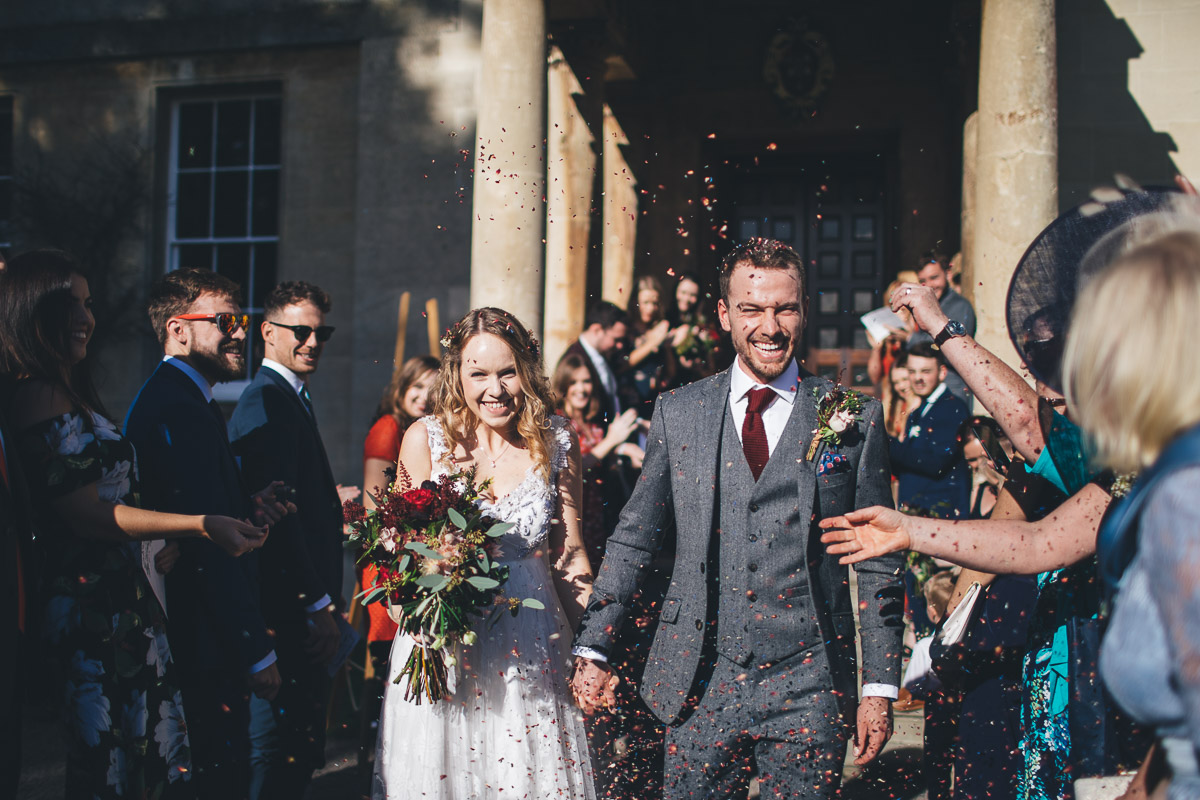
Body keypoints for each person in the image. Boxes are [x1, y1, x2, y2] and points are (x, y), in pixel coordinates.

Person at [571, 238, 904, 800]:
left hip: (811, 682)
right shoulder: (679, 412)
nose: (769, 327)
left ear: (804, 311)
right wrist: (595, 646)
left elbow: (878, 561)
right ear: (725, 314)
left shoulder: (853, 418)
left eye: (785, 309)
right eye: (752, 309)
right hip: (697, 680)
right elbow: (634, 539)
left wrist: (878, 686)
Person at [0, 252, 268, 799]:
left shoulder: (66, 390)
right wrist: (198, 525)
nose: (87, 317)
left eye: (89, 303)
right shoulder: (38, 394)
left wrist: (173, 531)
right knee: (110, 771)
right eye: (70, 303)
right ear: (32, 310)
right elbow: (86, 514)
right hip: (92, 612)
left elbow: (130, 495)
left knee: (142, 767)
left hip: (124, 604)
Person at [372, 307, 596, 800]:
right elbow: (397, 553)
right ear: (457, 374)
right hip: (446, 642)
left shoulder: (556, 440)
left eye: (508, 372)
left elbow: (570, 554)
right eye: (479, 374)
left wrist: (592, 647)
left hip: (531, 640)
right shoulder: (424, 439)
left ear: (527, 372)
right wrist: (415, 605)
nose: (495, 389)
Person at [126, 268, 289, 798]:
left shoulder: (188, 399)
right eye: (225, 321)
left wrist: (246, 506)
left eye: (240, 321)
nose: (239, 333)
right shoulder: (177, 406)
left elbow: (197, 507)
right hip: (200, 641)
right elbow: (203, 546)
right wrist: (255, 651)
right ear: (178, 329)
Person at [228, 281, 349, 798]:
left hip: (300, 608)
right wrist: (317, 605)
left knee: (298, 747)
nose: (312, 342)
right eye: (300, 331)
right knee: (280, 752)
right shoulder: (266, 401)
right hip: (287, 612)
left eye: (322, 333)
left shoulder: (290, 396)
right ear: (267, 332)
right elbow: (274, 522)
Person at [360, 356, 439, 665]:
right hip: (390, 557)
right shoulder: (388, 428)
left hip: (416, 555)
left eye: (432, 389)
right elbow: (374, 507)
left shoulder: (424, 431)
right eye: (417, 386)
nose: (423, 397)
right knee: (391, 655)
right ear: (402, 387)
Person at [552, 352, 643, 571]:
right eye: (573, 382)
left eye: (586, 381)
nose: (581, 388)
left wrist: (624, 450)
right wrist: (612, 440)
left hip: (595, 513)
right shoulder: (558, 421)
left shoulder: (590, 422)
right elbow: (573, 467)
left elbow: (599, 457)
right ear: (563, 385)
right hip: (571, 516)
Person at [890, 343, 971, 520]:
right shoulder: (918, 411)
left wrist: (887, 443)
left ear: (942, 373)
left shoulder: (952, 407)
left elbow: (936, 462)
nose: (917, 378)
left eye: (925, 371)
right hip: (917, 513)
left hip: (940, 515)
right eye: (912, 372)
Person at [907, 253, 977, 406]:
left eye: (934, 278)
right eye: (923, 281)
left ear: (948, 274)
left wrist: (909, 338)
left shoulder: (959, 306)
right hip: (928, 389)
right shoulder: (928, 305)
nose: (929, 285)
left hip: (952, 389)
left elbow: (949, 348)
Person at [561, 301, 628, 424]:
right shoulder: (574, 358)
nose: (620, 346)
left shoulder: (605, 354)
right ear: (596, 330)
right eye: (616, 339)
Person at [622, 275, 679, 414]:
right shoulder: (626, 328)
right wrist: (654, 341)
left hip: (655, 401)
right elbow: (623, 363)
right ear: (635, 302)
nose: (651, 308)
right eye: (645, 302)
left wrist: (666, 345)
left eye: (655, 303)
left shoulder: (659, 327)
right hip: (629, 402)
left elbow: (671, 372)